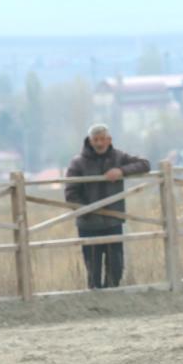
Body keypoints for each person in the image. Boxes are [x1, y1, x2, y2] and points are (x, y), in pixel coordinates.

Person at [64, 124, 150, 289]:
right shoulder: (78, 163)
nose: (99, 143)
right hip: (88, 225)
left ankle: (113, 302)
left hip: (113, 222)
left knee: (116, 269)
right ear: (90, 141)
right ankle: (97, 305)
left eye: (103, 139)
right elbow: (70, 194)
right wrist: (88, 210)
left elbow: (144, 164)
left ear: (109, 140)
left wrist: (121, 170)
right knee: (93, 271)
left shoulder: (118, 157)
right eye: (96, 140)